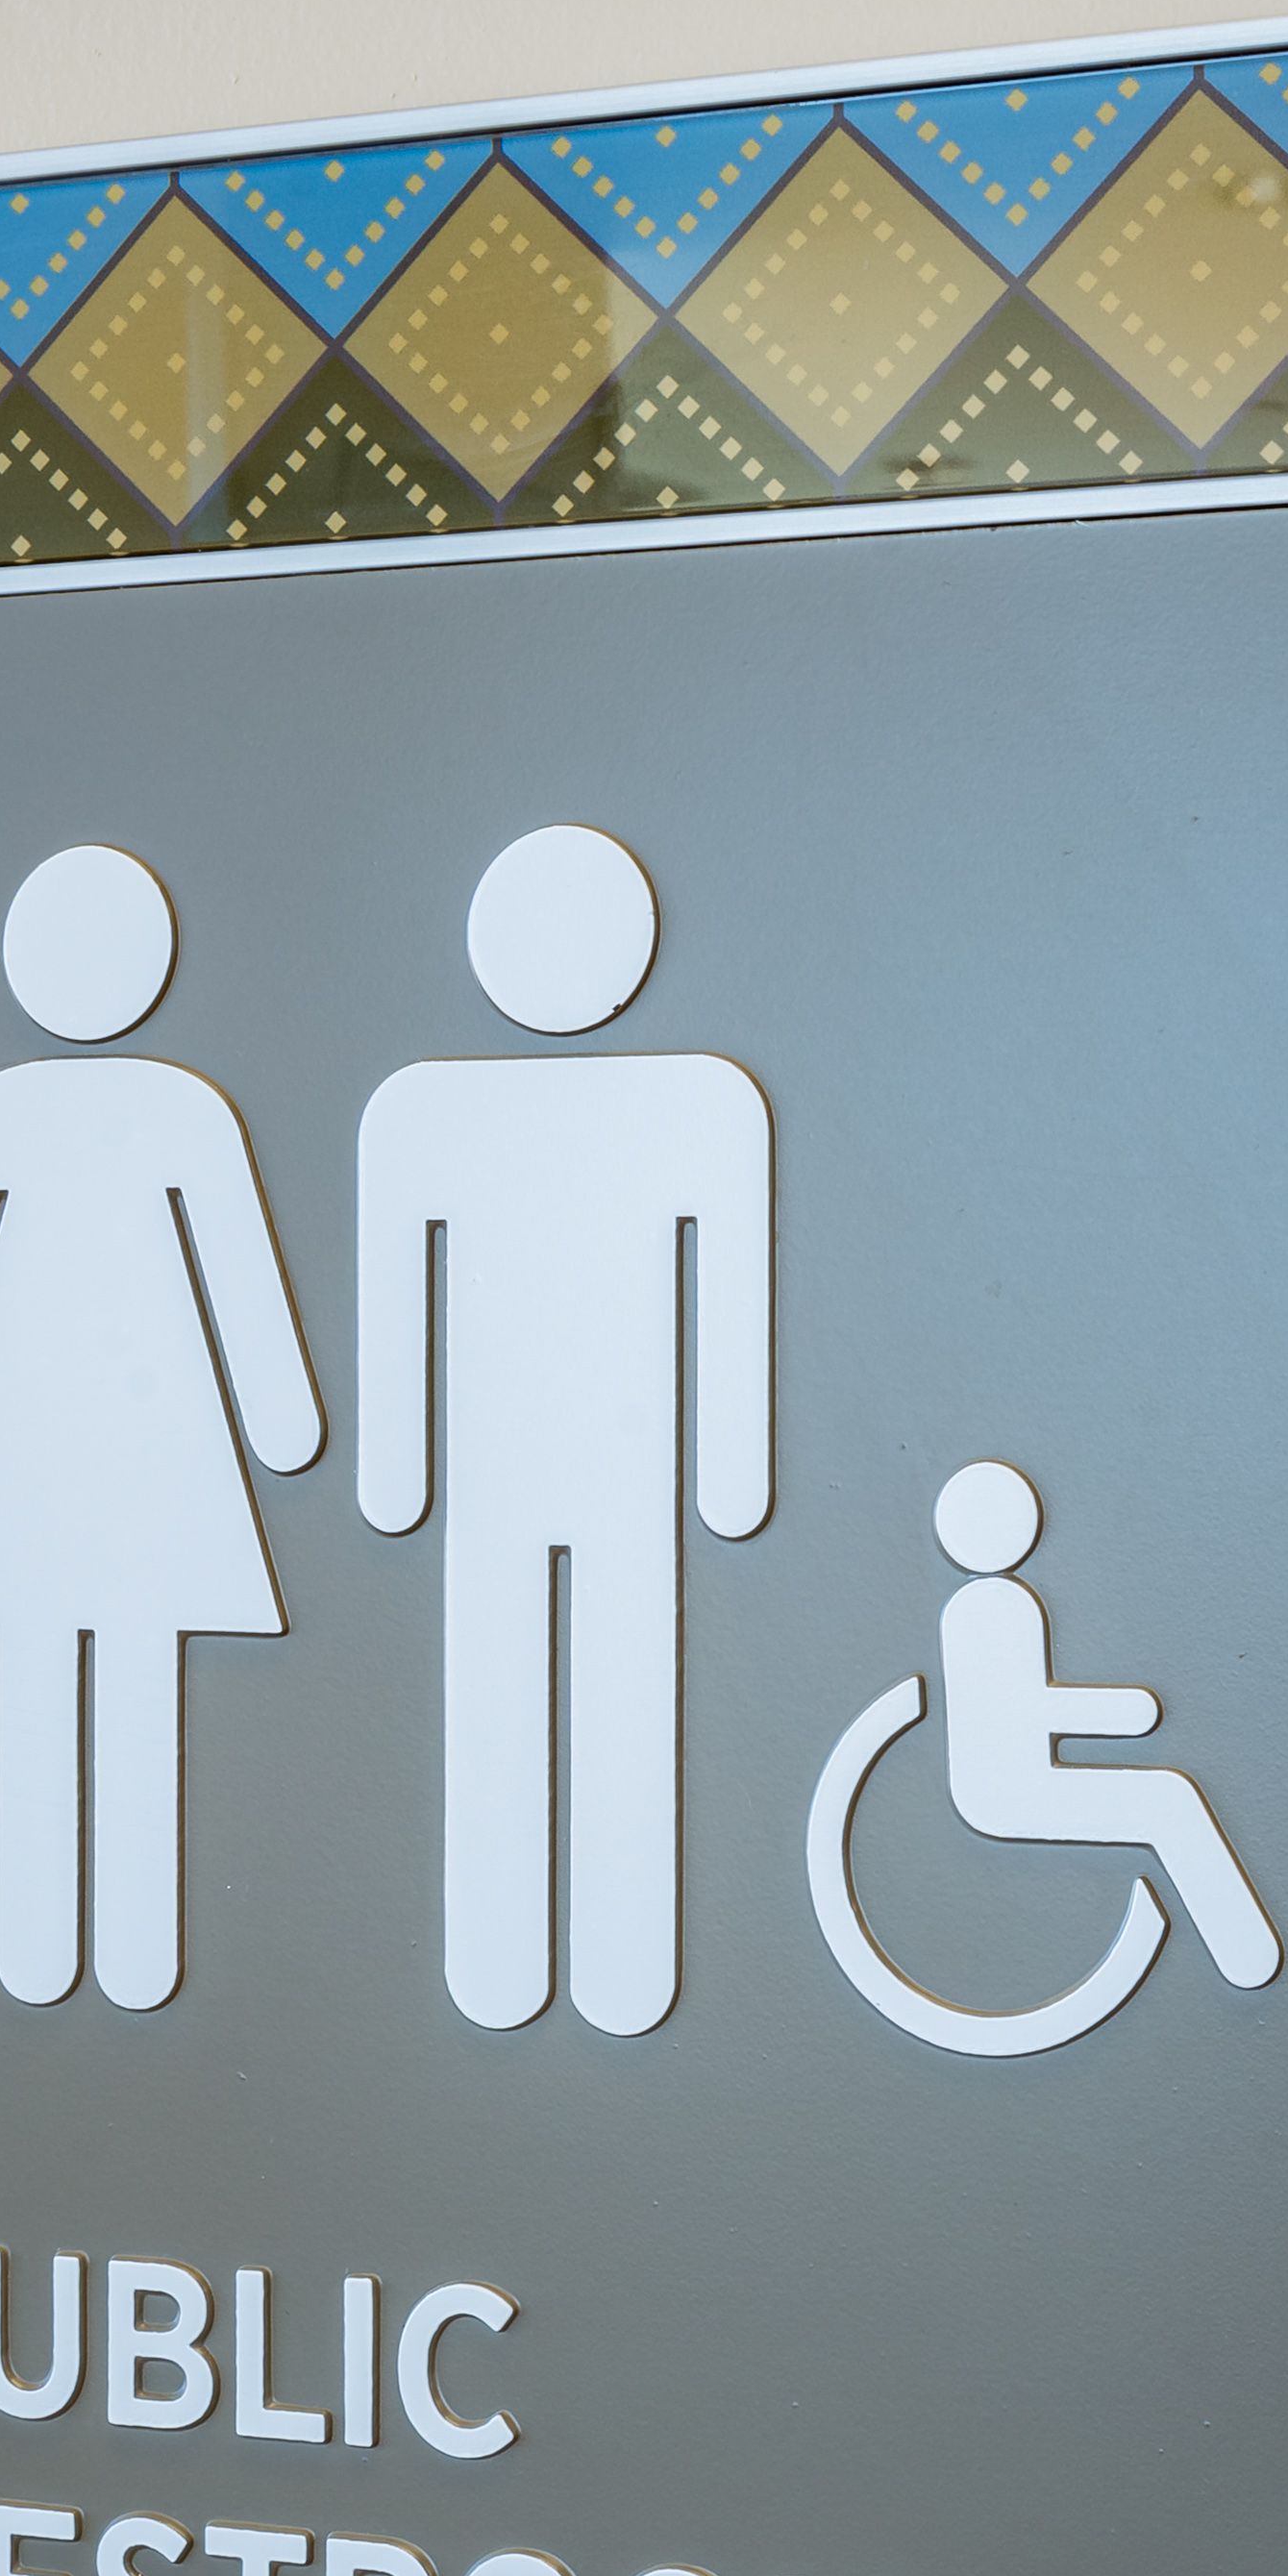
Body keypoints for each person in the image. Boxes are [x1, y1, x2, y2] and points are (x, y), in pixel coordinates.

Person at [0, 845, 323, 2010]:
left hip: (67, 1456)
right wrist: (280, 1423)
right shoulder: (168, 1108)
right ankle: (96, 1948)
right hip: (117, 1462)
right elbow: (243, 1293)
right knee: (107, 1671)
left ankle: (88, 1945)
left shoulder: (21, 1113)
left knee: (66, 1676)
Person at [355, 825, 772, 2036]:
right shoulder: (427, 1110)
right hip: (523, 1468)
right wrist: (393, 1466)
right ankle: (504, 1960)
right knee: (512, 1688)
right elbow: (397, 1294)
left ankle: (617, 1964)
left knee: (615, 1684)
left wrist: (732, 1467)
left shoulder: (698, 1103)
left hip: (611, 1467)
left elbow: (731, 1291)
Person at [921, 1459, 1274, 1984]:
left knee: (1167, 1799)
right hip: (1008, 1792)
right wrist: (1127, 1712)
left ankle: (1243, 1949)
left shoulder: (1006, 1605)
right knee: (1166, 1801)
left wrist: (1122, 1713)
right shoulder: (983, 1611)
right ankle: (1244, 1951)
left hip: (1028, 1777)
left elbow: (1029, 1712)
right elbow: (1020, 1716)